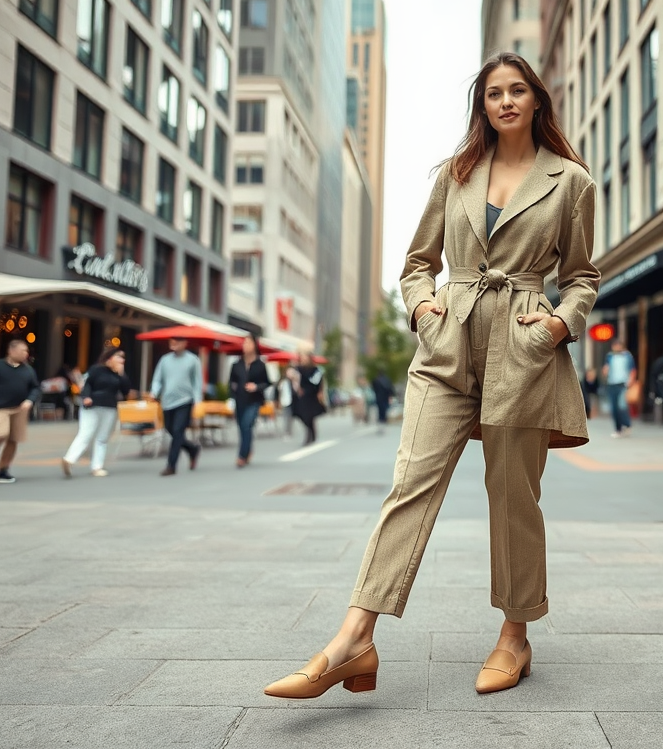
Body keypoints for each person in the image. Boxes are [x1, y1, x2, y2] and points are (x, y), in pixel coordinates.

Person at [264, 51, 598, 700]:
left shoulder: (570, 181)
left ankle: (515, 636)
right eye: (493, 92)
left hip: (524, 347)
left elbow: (583, 275)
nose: (504, 101)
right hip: (448, 345)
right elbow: (418, 261)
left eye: (516, 91)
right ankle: (355, 638)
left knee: (513, 500)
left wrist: (559, 324)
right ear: (483, 105)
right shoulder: (458, 172)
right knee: (410, 482)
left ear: (536, 102)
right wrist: (421, 306)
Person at [61, 348, 132, 478]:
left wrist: (122, 375)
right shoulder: (96, 370)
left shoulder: (118, 374)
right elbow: (87, 385)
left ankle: (97, 466)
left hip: (109, 406)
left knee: (102, 437)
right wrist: (86, 397)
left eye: (123, 358)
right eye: (119, 357)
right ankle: (69, 460)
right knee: (86, 433)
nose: (122, 360)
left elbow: (126, 390)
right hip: (92, 404)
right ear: (110, 358)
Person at [0, 339, 40, 484]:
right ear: (11, 351)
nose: (25, 354)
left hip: (19, 409)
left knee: (13, 440)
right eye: (22, 350)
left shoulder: (28, 370)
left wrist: (29, 400)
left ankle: (3, 470)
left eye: (26, 351)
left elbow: (35, 388)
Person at [150, 336, 202, 476]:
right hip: (167, 401)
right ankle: (192, 449)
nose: (174, 344)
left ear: (185, 343)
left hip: (185, 401)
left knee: (178, 431)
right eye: (171, 341)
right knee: (170, 429)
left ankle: (171, 465)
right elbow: (157, 379)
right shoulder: (165, 360)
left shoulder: (193, 360)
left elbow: (197, 382)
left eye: (177, 341)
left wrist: (198, 401)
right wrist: (154, 392)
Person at [229, 334, 271, 468]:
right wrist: (233, 391)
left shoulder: (260, 365)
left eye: (248, 343)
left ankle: (241, 456)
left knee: (247, 425)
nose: (245, 345)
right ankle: (248, 450)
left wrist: (256, 387)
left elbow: (267, 383)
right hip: (240, 400)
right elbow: (231, 382)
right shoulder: (236, 364)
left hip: (254, 400)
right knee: (242, 428)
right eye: (244, 343)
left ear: (254, 345)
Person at [287, 353, 326, 446]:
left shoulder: (315, 370)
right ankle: (311, 431)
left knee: (309, 416)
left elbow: (316, 382)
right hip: (301, 396)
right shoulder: (298, 369)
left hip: (311, 395)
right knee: (302, 415)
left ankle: (310, 435)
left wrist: (320, 392)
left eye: (305, 358)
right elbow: (293, 380)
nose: (303, 360)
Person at [602, 340, 636, 437]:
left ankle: (627, 424)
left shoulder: (627, 356)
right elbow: (606, 367)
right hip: (612, 384)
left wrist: (630, 381)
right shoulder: (610, 356)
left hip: (623, 384)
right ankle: (618, 429)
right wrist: (605, 371)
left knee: (622, 406)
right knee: (614, 408)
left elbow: (632, 369)